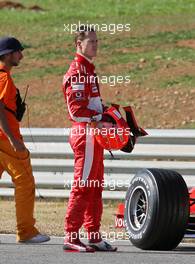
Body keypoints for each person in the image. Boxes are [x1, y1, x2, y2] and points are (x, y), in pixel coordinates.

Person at [62, 26, 117, 252]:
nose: (96, 44)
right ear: (79, 44)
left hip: (95, 134)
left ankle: (93, 235)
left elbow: (92, 105)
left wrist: (110, 113)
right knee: (83, 186)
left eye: (97, 40)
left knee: (95, 187)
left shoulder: (89, 71)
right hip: (85, 133)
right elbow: (75, 111)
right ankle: (71, 236)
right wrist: (100, 117)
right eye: (91, 41)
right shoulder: (77, 71)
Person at [0, 36, 50, 243]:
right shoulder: (3, 78)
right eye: (18, 51)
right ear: (8, 54)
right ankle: (26, 231)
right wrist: (13, 139)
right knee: (25, 183)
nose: (21, 54)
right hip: (5, 139)